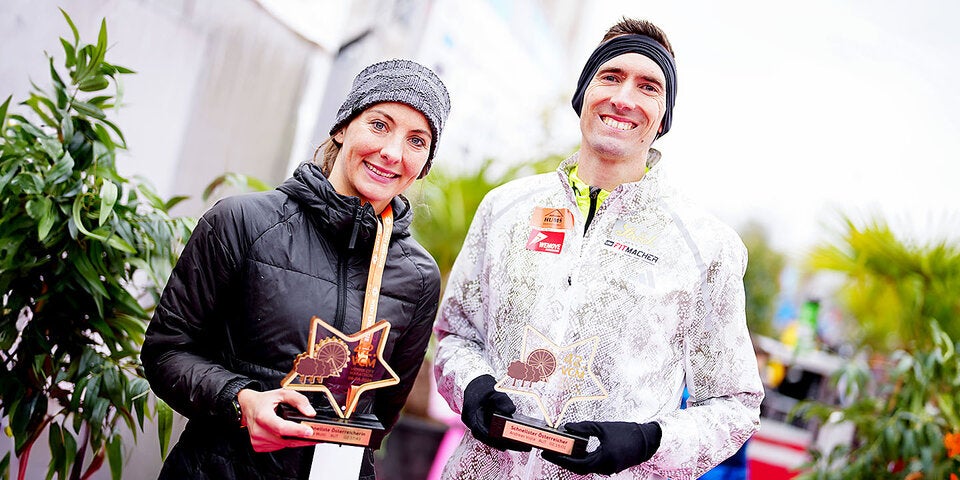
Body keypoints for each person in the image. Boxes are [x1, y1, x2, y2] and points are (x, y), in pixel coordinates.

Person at [433, 17, 763, 479]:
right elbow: (455, 336)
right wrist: (472, 389)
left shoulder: (706, 246)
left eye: (648, 86)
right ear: (582, 95)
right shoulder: (505, 209)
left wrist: (648, 442)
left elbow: (735, 406)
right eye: (610, 77)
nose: (624, 98)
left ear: (664, 118)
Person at [141, 59, 451, 480]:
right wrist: (242, 400)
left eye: (417, 140)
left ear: (425, 162)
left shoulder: (417, 277)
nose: (393, 153)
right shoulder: (242, 223)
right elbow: (166, 351)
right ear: (342, 127)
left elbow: (381, 415)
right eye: (379, 125)